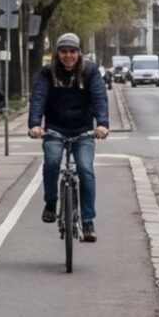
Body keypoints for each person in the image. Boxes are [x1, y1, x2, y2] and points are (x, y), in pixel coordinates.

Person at [28, 33, 110, 241]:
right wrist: (35, 125)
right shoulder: (48, 73)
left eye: (72, 52)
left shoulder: (90, 72)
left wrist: (102, 124)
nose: (68, 56)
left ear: (79, 53)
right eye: (64, 52)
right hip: (55, 129)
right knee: (52, 161)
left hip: (82, 131)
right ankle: (51, 202)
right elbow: (39, 97)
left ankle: (87, 220)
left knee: (85, 169)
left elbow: (99, 97)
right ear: (57, 53)